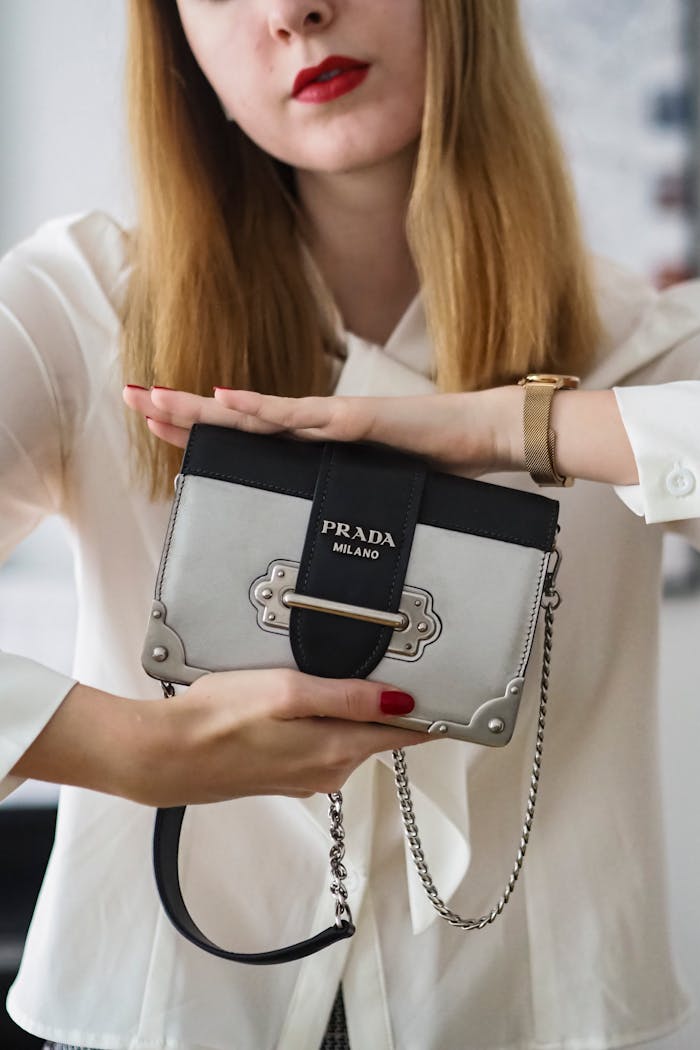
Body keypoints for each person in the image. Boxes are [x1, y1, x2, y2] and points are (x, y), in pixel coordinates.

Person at [1, 1, 699, 1048]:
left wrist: (520, 424)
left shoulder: (638, 341)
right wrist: (137, 746)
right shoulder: (79, 305)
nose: (293, 11)